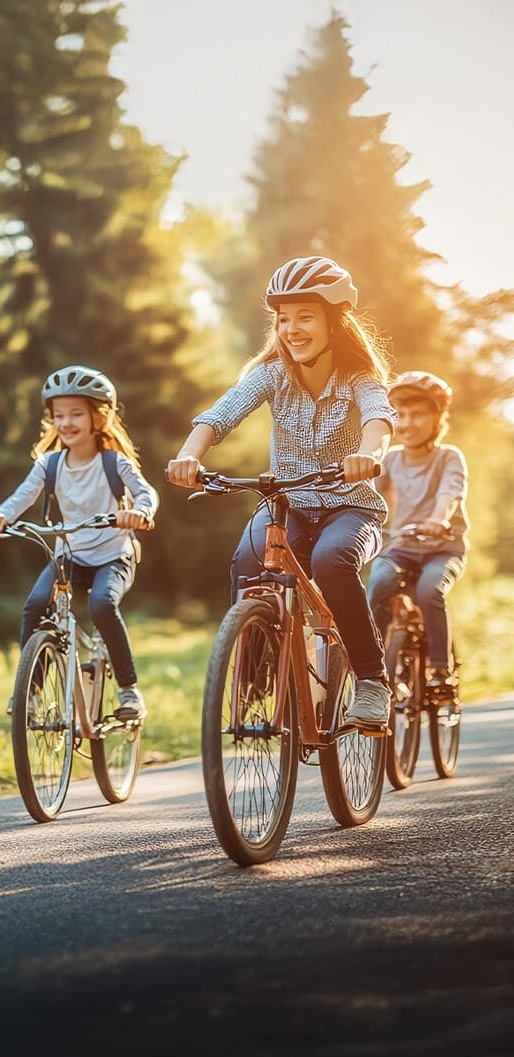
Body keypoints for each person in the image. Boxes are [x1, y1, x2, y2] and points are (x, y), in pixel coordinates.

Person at [167, 255, 398, 730]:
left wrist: (368, 454)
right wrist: (190, 455)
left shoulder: (360, 379)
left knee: (332, 562)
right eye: (284, 318)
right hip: (289, 506)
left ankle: (372, 681)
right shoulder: (273, 373)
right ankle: (254, 679)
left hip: (351, 510)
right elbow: (222, 413)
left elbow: (379, 419)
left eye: (305, 316)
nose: (292, 329)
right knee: (248, 561)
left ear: (335, 320)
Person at [0, 365, 158, 720]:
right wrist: (1, 515)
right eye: (59, 415)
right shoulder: (49, 464)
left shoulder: (114, 463)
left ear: (99, 418)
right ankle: (28, 693)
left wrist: (139, 512)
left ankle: (129, 692)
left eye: (76, 414)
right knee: (35, 606)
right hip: (69, 554)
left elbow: (146, 492)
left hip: (112, 555)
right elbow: (21, 498)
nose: (67, 422)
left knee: (102, 605)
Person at [366, 370, 468, 695]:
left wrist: (438, 519)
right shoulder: (391, 459)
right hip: (401, 546)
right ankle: (375, 666)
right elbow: (369, 495)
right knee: (379, 582)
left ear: (437, 418)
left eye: (417, 414)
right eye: (400, 415)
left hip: (443, 548)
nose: (407, 423)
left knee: (429, 591)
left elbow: (450, 493)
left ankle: (440, 669)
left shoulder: (448, 457)